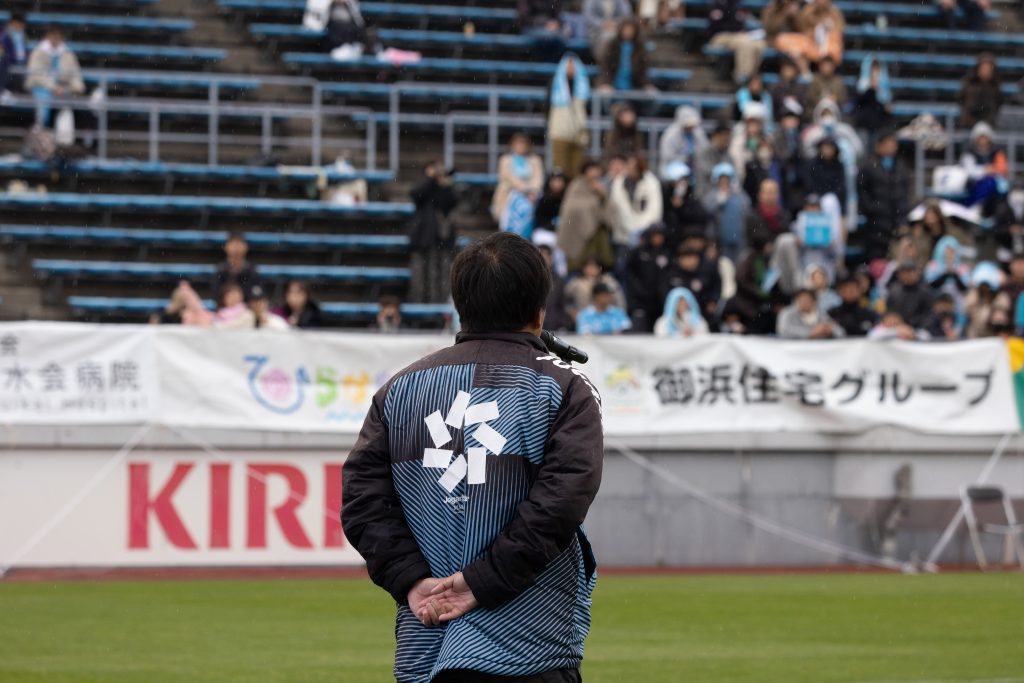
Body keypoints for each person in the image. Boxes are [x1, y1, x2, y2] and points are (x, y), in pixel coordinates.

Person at [341, 232, 603, 683]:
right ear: (540, 309)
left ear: (460, 304)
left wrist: (412, 581)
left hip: (426, 642)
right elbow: (560, 503)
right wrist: (483, 581)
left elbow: (361, 501)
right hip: (529, 649)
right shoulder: (565, 388)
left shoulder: (398, 390)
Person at [409, 161, 459, 303]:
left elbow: (455, 200)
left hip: (442, 238)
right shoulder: (423, 184)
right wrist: (430, 179)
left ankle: (440, 303)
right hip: (422, 238)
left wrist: (446, 184)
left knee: (442, 274)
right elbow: (415, 194)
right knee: (420, 275)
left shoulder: (443, 187)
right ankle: (419, 303)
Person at [857, 131, 909, 263]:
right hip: (876, 221)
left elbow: (905, 192)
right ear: (879, 146)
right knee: (876, 258)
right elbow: (862, 190)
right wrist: (872, 208)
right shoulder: (868, 165)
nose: (892, 148)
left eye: (894, 144)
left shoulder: (900, 166)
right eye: (888, 144)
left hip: (896, 219)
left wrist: (902, 216)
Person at [607, 153, 663, 276]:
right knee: (622, 269)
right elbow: (618, 208)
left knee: (644, 270)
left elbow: (655, 209)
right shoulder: (619, 182)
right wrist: (631, 228)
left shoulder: (652, 183)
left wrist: (641, 229)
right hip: (623, 236)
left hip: (645, 236)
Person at [557, 160, 614, 272]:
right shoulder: (576, 185)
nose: (595, 172)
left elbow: (606, 207)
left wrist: (601, 195)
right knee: (579, 264)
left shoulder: (600, 186)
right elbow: (571, 207)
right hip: (578, 230)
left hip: (597, 233)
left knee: (599, 262)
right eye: (592, 169)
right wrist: (593, 204)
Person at [25, 27, 84, 127]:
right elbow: (37, 75)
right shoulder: (38, 52)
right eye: (52, 37)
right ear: (47, 37)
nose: (55, 40)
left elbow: (75, 74)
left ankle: (80, 133)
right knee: (43, 100)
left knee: (80, 104)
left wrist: (77, 87)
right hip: (41, 87)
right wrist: (53, 87)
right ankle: (41, 127)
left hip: (63, 88)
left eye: (57, 37)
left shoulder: (68, 54)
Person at [547, 53, 591, 179]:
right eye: (568, 66)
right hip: (560, 132)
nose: (571, 69)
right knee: (560, 169)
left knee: (577, 171)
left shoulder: (583, 85)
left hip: (579, 133)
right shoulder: (555, 84)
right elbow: (547, 108)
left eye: (573, 66)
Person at [492, 134, 545, 234]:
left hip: (532, 195)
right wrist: (525, 190)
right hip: (510, 193)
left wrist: (533, 191)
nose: (521, 146)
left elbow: (538, 178)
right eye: (518, 144)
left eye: (523, 144)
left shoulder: (535, 160)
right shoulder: (505, 159)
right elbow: (508, 177)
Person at [774, 0, 844, 73]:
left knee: (834, 43)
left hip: (828, 45)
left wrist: (828, 28)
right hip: (811, 43)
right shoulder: (808, 11)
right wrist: (814, 31)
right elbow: (802, 29)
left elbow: (840, 28)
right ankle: (806, 73)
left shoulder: (834, 12)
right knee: (784, 41)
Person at [625, 224, 673, 332]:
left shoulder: (667, 253)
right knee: (640, 328)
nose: (658, 239)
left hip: (660, 301)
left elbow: (668, 275)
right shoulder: (638, 252)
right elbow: (630, 273)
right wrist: (639, 290)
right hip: (640, 300)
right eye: (655, 236)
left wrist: (662, 292)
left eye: (660, 236)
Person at [706, 0, 765, 84]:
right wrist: (737, 29)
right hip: (720, 36)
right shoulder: (718, 4)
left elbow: (741, 22)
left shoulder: (737, 4)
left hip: (737, 35)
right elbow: (716, 26)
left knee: (759, 44)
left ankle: (752, 77)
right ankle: (742, 78)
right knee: (745, 43)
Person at [703, 162, 749, 265]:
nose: (724, 182)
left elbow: (746, 211)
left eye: (726, 179)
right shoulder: (711, 197)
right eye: (721, 179)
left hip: (739, 241)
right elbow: (707, 216)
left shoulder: (740, 196)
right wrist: (718, 202)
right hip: (720, 243)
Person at [661, 245, 722, 321]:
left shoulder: (706, 271)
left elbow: (716, 287)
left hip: (703, 316)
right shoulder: (671, 274)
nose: (692, 261)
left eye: (695, 258)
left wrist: (713, 301)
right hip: (675, 316)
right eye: (689, 258)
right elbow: (664, 293)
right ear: (680, 259)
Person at [959, 122, 1008, 213]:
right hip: (974, 183)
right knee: (989, 183)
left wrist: (992, 171)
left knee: (1001, 187)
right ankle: (970, 207)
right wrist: (985, 170)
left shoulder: (996, 153)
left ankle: (993, 212)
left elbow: (1002, 169)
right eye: (981, 137)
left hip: (993, 183)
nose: (983, 140)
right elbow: (969, 172)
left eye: (985, 137)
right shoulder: (969, 153)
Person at [662, 161, 708, 253]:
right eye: (678, 181)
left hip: (687, 247)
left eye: (684, 180)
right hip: (668, 246)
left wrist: (682, 208)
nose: (682, 185)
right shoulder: (664, 200)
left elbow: (700, 220)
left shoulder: (693, 201)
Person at [598, 18, 650, 93]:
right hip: (612, 84)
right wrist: (606, 83)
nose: (628, 33)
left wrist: (646, 85)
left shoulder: (640, 48)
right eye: (626, 30)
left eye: (630, 30)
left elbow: (642, 70)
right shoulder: (612, 46)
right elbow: (606, 67)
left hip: (635, 86)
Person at [658, 106, 707, 180]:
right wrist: (685, 158)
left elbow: (705, 150)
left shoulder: (698, 133)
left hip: (694, 166)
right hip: (673, 166)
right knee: (681, 172)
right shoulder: (670, 135)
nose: (691, 127)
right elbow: (667, 156)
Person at [776, 288, 844, 338]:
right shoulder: (787, 313)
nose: (803, 303)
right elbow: (783, 331)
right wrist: (810, 333)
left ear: (814, 302)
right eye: (800, 300)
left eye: (807, 300)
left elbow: (840, 332)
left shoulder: (820, 314)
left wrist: (830, 331)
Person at [728, 100, 768, 185]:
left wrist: (760, 146)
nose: (754, 125)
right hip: (741, 179)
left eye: (757, 122)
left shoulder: (765, 138)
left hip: (759, 179)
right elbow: (735, 157)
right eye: (751, 121)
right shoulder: (738, 137)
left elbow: (766, 163)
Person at [211, 231, 260, 300]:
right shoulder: (220, 270)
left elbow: (256, 292)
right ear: (226, 247)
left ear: (246, 247)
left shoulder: (251, 270)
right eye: (233, 244)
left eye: (239, 243)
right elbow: (216, 293)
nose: (236, 247)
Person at [959, 53, 1003, 129]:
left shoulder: (996, 87)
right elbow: (965, 104)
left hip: (990, 125)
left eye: (988, 69)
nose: (985, 71)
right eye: (983, 68)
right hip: (969, 125)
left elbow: (997, 106)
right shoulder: (969, 86)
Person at [853, 55, 892, 138]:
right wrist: (871, 89)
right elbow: (859, 101)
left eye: (877, 68)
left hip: (878, 124)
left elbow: (885, 105)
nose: (875, 71)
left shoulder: (885, 85)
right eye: (873, 67)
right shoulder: (861, 82)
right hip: (864, 123)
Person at [887, 261, 934, 330]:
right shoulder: (894, 290)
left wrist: (911, 326)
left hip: (919, 329)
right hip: (897, 327)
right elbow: (889, 311)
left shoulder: (926, 291)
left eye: (911, 272)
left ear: (918, 273)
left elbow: (929, 315)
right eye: (904, 273)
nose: (908, 275)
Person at [538, 244, 571, 331]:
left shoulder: (558, 280)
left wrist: (562, 324)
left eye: (546, 256)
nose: (544, 259)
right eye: (541, 256)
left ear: (551, 258)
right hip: (533, 325)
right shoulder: (528, 277)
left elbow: (562, 304)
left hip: (554, 325)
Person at [745, 178, 789, 244]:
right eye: (769, 192)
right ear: (760, 194)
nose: (771, 196)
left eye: (774, 192)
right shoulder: (752, 216)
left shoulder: (784, 215)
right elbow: (751, 239)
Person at [697, 123, 733, 196]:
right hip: (705, 193)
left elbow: (732, 175)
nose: (726, 139)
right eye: (723, 136)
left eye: (728, 136)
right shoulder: (704, 152)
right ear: (715, 136)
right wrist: (720, 172)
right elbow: (705, 172)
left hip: (723, 194)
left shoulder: (727, 155)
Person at [741, 138, 781, 205]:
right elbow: (748, 189)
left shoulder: (779, 165)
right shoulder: (752, 168)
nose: (764, 150)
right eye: (761, 147)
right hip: (757, 206)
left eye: (767, 147)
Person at [993, 182, 1024, 266]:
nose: (1018, 196)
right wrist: (1008, 230)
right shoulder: (1002, 209)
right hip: (1006, 249)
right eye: (1016, 191)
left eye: (1020, 191)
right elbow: (995, 231)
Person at [769, 57, 808, 124]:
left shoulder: (801, 88)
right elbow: (773, 104)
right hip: (779, 119)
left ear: (795, 71)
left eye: (791, 69)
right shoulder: (774, 87)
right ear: (782, 70)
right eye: (786, 69)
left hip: (797, 119)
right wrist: (785, 99)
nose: (788, 72)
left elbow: (804, 104)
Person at [0, 13, 28, 95]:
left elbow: (23, 51)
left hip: (20, 63)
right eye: (19, 23)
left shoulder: (22, 35)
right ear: (13, 23)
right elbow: (3, 50)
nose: (21, 26)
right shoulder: (5, 35)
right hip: (9, 62)